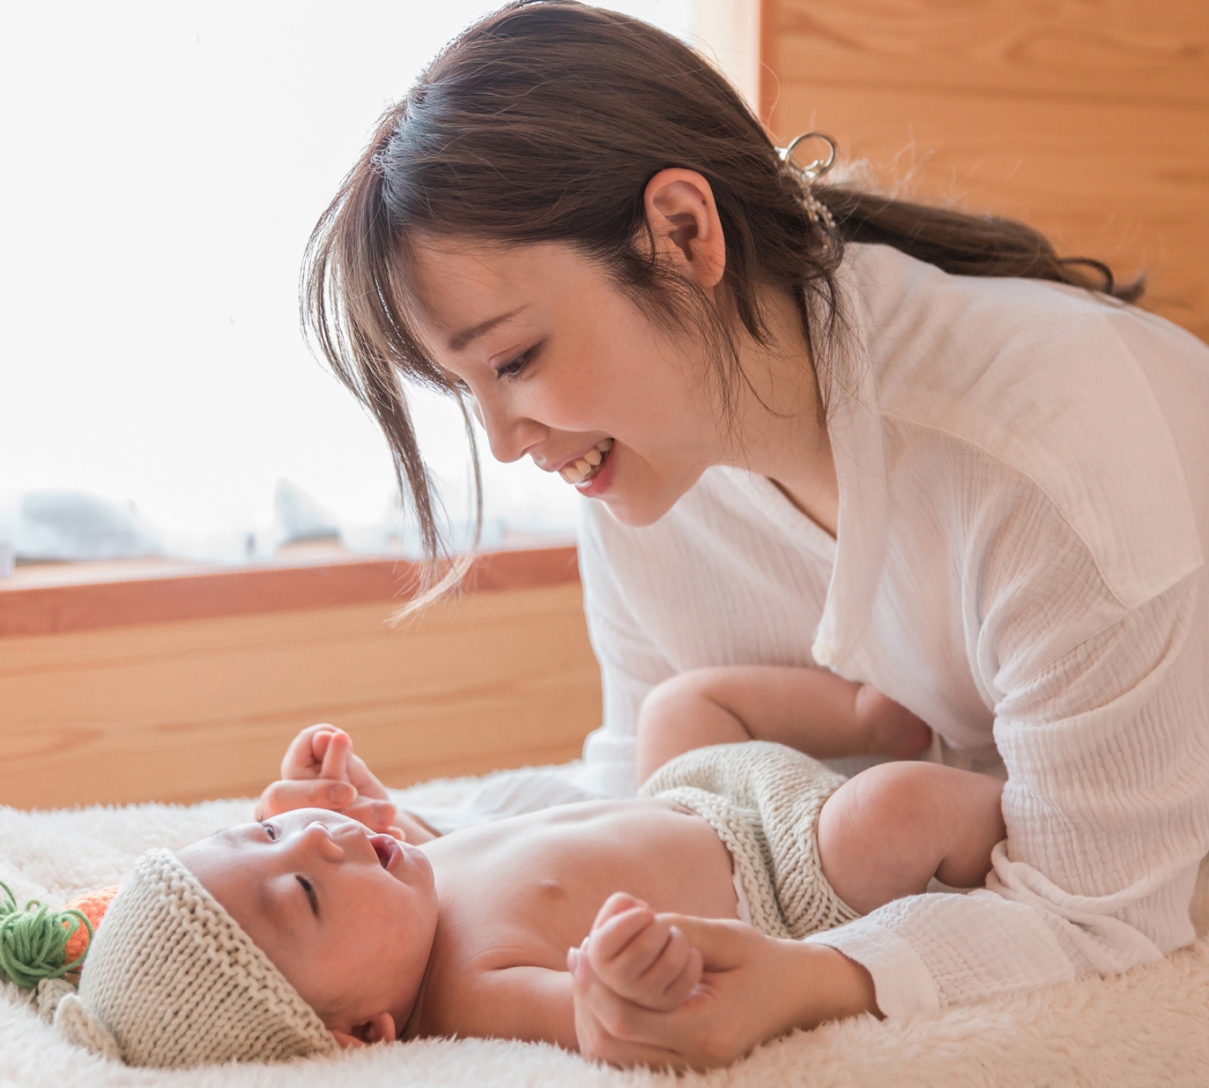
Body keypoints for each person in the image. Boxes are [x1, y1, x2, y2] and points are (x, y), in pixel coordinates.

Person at [301, 0, 1209, 1066]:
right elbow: (653, 806)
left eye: (513, 359)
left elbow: (1102, 907)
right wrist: (400, 845)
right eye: (466, 392)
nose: (504, 442)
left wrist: (815, 978)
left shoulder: (1047, 449)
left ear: (682, 233)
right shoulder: (641, 474)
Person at [42, 718, 1003, 1068]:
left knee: (675, 706)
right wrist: (627, 979)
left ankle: (874, 712)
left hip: (684, 793)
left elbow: (416, 833)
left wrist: (360, 798)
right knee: (896, 811)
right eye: (302, 890)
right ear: (365, 1034)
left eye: (266, 828)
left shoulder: (401, 884)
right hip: (788, 875)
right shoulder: (470, 991)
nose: (322, 836)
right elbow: (595, 1020)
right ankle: (1018, 827)